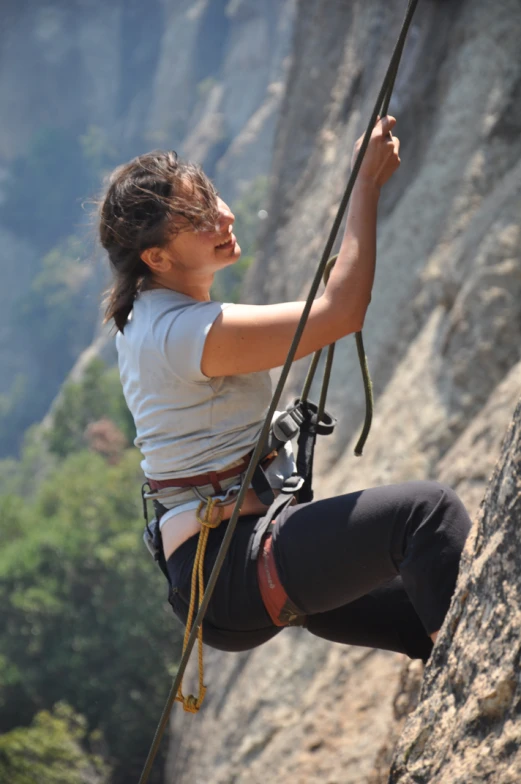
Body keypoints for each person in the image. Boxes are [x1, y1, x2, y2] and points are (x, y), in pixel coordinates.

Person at [99, 116, 471, 663]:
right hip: (229, 569)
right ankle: (483, 678)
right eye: (198, 217)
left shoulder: (152, 317)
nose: (224, 216)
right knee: (426, 514)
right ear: (156, 258)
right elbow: (342, 313)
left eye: (213, 198)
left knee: (428, 609)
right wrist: (364, 185)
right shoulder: (178, 332)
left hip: (229, 565)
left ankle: (461, 671)